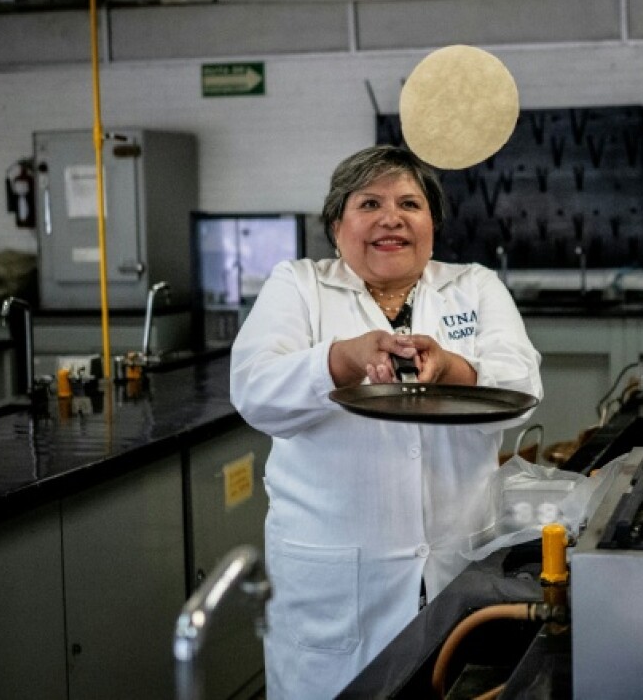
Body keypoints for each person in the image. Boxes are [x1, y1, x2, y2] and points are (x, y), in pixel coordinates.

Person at [230, 144, 542, 699]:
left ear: (433, 224)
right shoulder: (299, 285)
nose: (390, 218)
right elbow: (254, 389)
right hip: (335, 578)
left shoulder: (473, 285)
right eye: (369, 203)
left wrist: (451, 368)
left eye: (409, 204)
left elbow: (522, 387)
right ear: (336, 224)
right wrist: (341, 360)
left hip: (455, 563)